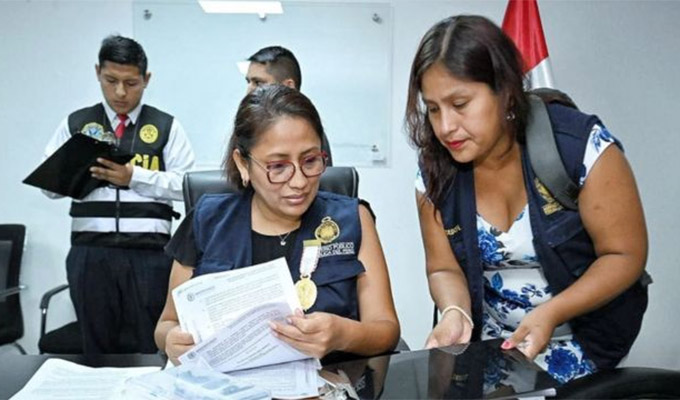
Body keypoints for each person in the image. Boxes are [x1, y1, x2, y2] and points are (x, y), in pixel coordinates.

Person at [406, 15, 649, 383]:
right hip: (495, 347)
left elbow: (624, 255)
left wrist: (552, 312)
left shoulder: (580, 147)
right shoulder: (435, 172)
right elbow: (444, 269)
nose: (445, 127)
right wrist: (455, 311)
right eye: (434, 109)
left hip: (584, 342)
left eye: (460, 104)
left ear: (505, 91)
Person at [155, 84, 399, 365]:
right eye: (278, 167)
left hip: (328, 380)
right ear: (243, 164)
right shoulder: (207, 221)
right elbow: (166, 324)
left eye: (310, 161)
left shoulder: (351, 219)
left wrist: (342, 334)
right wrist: (172, 340)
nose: (299, 182)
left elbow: (386, 330)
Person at [42, 35, 195, 354]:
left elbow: (185, 185)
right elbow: (48, 188)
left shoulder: (166, 126)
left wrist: (133, 177)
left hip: (149, 255)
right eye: (111, 81)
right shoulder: (76, 124)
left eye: (131, 83)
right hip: (90, 253)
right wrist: (72, 169)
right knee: (95, 347)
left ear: (146, 79)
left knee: (149, 345)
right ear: (98, 72)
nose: (121, 92)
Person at [245, 45, 333, 164]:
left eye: (259, 83)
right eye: (248, 82)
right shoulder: (248, 128)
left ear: (288, 87)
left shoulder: (307, 133)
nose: (249, 90)